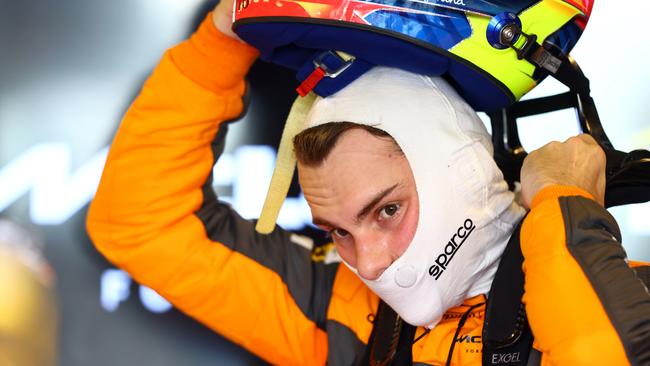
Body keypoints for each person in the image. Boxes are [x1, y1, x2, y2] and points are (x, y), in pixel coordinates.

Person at [87, 1, 650, 365]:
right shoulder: (346, 311)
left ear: (460, 171)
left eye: (385, 211)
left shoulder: (632, 295)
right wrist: (224, 38)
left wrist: (563, 211)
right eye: (338, 232)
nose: (370, 263)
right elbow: (138, 223)